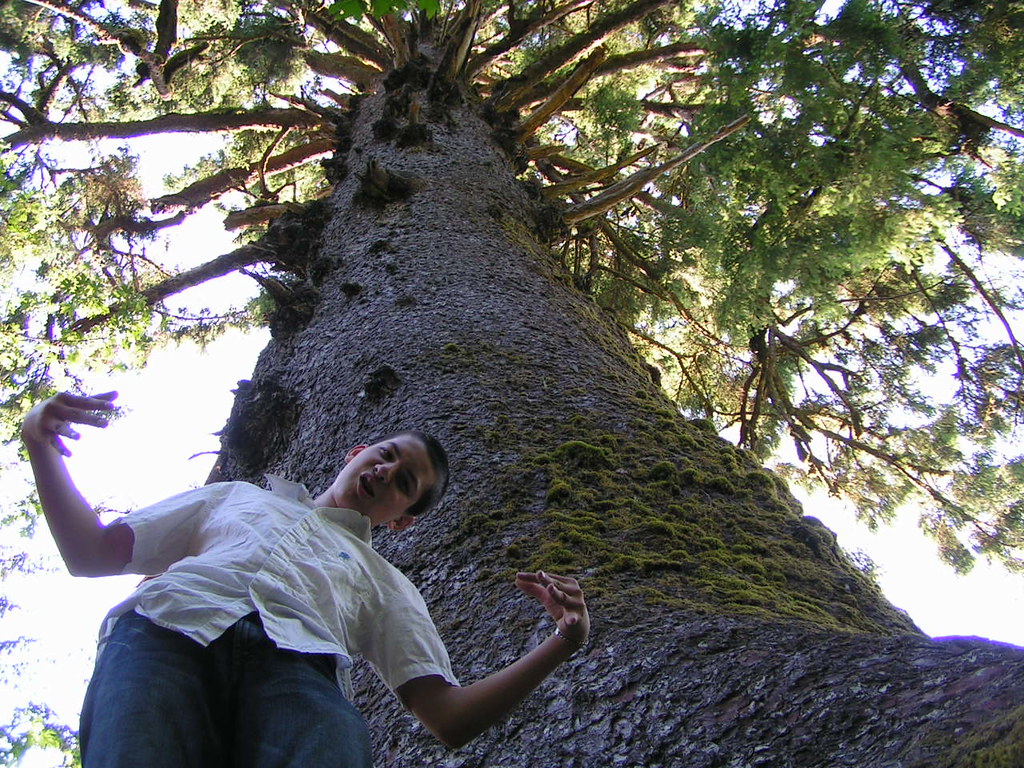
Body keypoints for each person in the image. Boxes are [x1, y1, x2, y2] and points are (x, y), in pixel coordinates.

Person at [21, 390, 590, 768]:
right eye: (388, 456)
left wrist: (563, 642)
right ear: (358, 452)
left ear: (404, 518)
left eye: (406, 482)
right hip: (166, 636)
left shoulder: (387, 583)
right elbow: (91, 553)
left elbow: (448, 715)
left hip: (297, 678)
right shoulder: (235, 496)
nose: (388, 472)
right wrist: (40, 445)